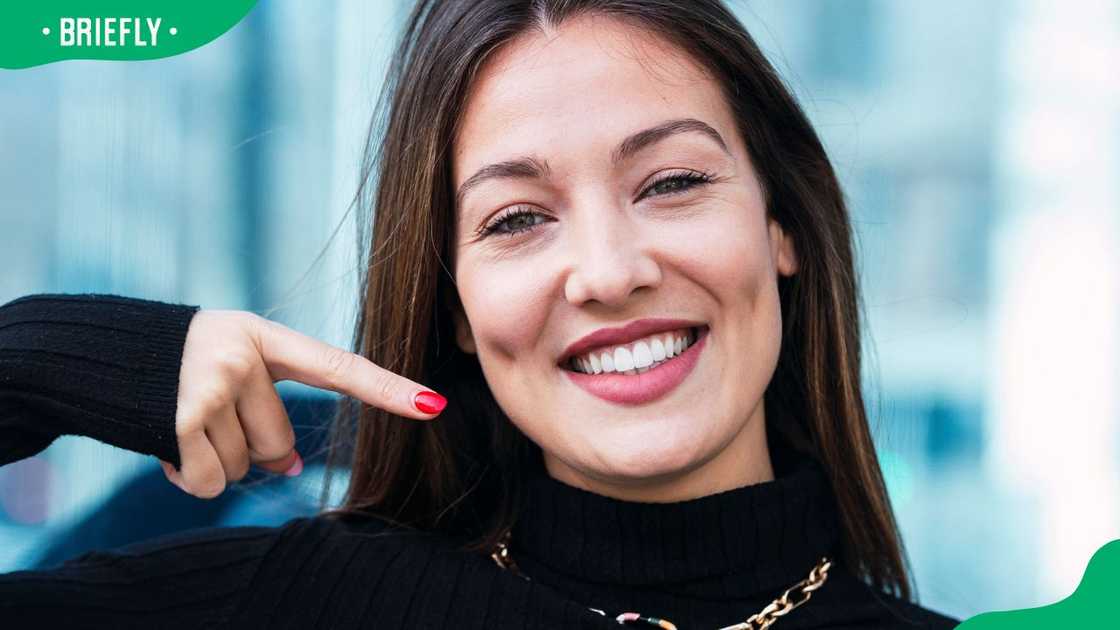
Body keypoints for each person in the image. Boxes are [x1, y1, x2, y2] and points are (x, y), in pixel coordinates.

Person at [0, 1, 962, 628]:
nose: (609, 271)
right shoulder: (304, 605)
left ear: (781, 226)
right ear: (453, 305)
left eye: (670, 182)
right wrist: (45, 359)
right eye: (517, 219)